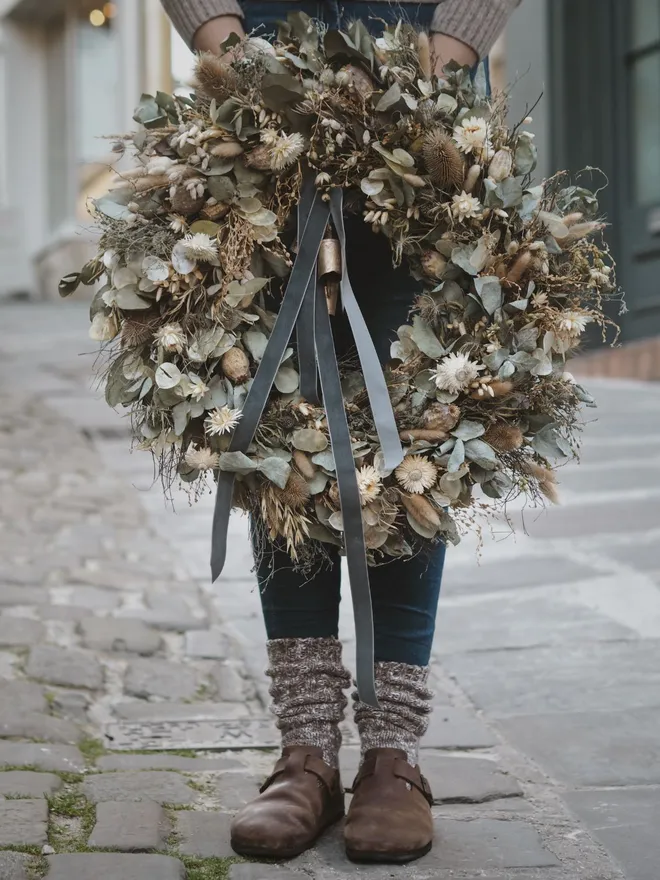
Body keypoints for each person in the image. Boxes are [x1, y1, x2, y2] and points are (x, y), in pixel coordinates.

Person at [162, 0, 520, 864]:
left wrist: (451, 47)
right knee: (275, 410)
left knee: (415, 418)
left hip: (419, 87)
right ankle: (308, 753)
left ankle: (393, 756)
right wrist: (223, 42)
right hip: (260, 100)